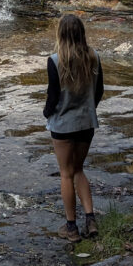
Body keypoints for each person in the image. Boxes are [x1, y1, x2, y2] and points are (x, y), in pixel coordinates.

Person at [43, 14, 104, 243]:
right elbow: (99, 91)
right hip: (86, 123)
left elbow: (53, 95)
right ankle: (90, 220)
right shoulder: (94, 57)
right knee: (79, 169)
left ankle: (71, 227)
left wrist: (47, 113)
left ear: (61, 34)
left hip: (63, 125)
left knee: (66, 173)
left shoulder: (55, 60)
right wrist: (89, 109)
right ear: (81, 33)